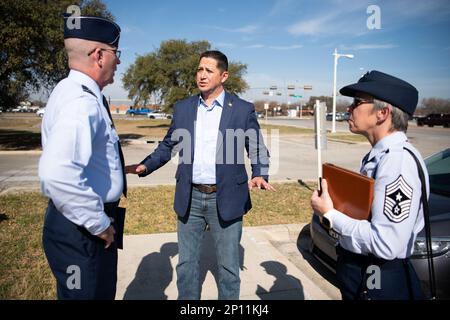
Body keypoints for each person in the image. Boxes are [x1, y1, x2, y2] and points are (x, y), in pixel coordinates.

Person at [126, 50, 275, 300]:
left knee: (228, 268)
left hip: (226, 197)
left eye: (208, 70)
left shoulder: (241, 109)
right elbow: (168, 145)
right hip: (190, 197)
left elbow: (256, 146)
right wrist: (146, 165)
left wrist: (260, 173)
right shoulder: (184, 108)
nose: (202, 75)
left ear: (223, 75)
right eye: (199, 69)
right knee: (186, 266)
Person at [311, 70, 428, 300]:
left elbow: (386, 244)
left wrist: (330, 214)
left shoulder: (398, 161)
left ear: (382, 113)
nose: (349, 108)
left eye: (357, 102)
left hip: (378, 273)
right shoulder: (381, 155)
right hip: (363, 268)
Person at [39, 15, 126, 300]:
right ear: (99, 55)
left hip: (81, 223)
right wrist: (99, 224)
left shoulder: (73, 91)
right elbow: (56, 174)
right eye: (117, 54)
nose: (119, 62)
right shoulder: (81, 103)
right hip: (83, 231)